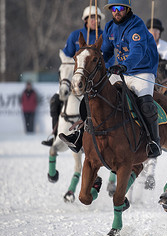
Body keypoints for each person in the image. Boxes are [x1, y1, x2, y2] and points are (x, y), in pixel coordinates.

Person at [60, 0, 161, 159]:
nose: (116, 12)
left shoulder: (137, 27)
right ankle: (79, 135)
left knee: (146, 104)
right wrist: (98, 68)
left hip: (142, 71)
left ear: (127, 9)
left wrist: (124, 65)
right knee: (93, 95)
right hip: (121, 70)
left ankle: (153, 141)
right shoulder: (109, 28)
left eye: (120, 8)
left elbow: (137, 52)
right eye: (113, 9)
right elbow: (105, 52)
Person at [42, 5, 107, 146]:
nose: (95, 20)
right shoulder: (75, 36)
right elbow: (66, 58)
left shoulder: (104, 36)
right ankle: (54, 134)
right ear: (85, 19)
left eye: (97, 18)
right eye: (92, 17)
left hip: (98, 79)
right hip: (77, 77)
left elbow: (109, 57)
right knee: (55, 101)